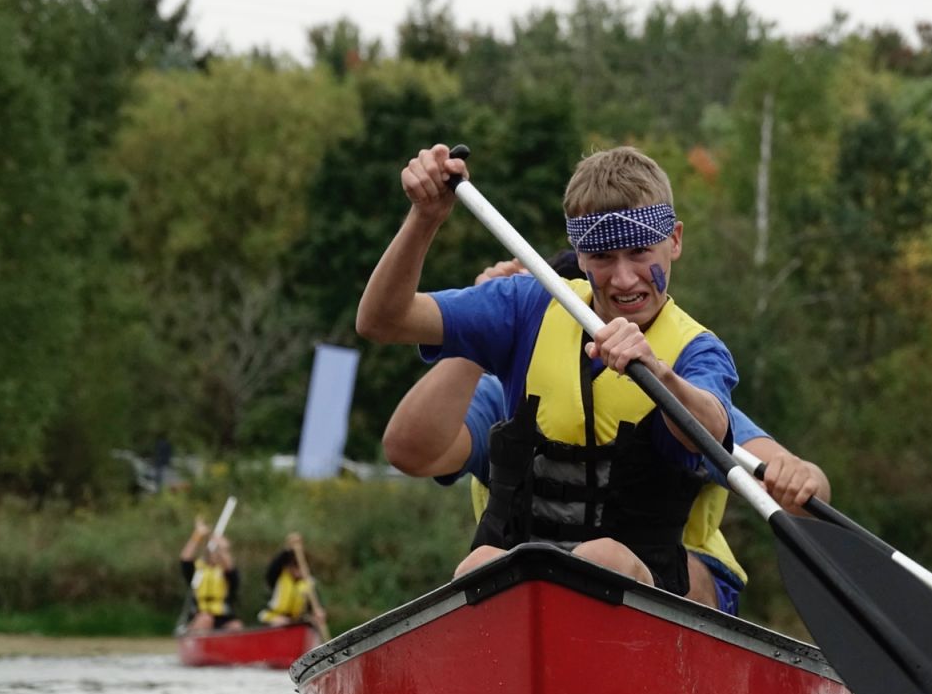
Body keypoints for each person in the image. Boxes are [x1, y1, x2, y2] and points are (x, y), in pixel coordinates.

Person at [357, 143, 740, 596]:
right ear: (579, 256)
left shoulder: (698, 350)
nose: (622, 279)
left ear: (674, 241)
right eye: (601, 257)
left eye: (640, 253)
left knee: (603, 557)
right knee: (479, 562)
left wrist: (660, 374)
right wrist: (425, 219)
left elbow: (712, 430)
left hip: (641, 591)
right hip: (526, 588)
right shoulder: (527, 305)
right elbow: (381, 319)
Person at [382, 254, 829, 616]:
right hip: (530, 576)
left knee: (605, 564)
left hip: (673, 575)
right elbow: (412, 452)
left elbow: (797, 488)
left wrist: (800, 474)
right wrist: (479, 335)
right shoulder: (506, 386)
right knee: (485, 567)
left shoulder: (681, 390)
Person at [259, 532, 328, 641]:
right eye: (293, 566)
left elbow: (316, 605)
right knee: (279, 624)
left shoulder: (309, 584)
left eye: (298, 567)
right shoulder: (277, 577)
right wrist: (289, 548)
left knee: (313, 623)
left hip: (295, 622)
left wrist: (319, 613)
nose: (296, 570)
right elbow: (276, 563)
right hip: (274, 617)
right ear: (288, 567)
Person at [178, 516, 242, 632]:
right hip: (200, 614)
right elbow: (185, 558)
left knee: (236, 626)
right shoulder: (198, 571)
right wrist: (197, 535)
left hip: (222, 616)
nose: (215, 554)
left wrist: (223, 547)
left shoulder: (226, 572)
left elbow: (230, 568)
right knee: (205, 620)